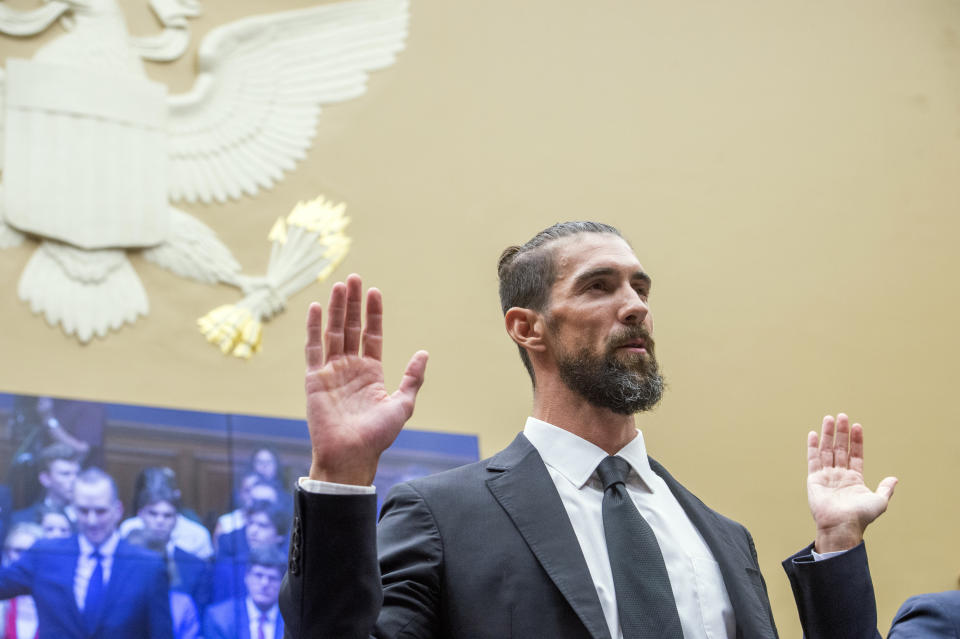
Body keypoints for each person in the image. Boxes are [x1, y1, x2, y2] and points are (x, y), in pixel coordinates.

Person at [279, 221, 897, 638]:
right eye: (600, 287)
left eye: (640, 287)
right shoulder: (442, 516)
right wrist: (340, 475)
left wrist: (838, 545)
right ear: (528, 327)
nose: (635, 305)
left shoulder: (724, 538)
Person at [0, 468, 173, 639]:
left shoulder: (148, 566)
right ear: (73, 509)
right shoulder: (45, 554)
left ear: (118, 510)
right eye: (83, 511)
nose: (92, 521)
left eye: (100, 511)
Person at [120, 467, 214, 560]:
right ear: (141, 513)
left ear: (177, 516)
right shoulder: (128, 528)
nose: (160, 521)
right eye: (153, 514)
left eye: (167, 515)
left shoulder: (198, 535)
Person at [204, 547, 286, 639]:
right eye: (258, 575)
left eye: (272, 578)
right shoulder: (219, 617)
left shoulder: (292, 620)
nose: (264, 584)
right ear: (247, 577)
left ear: (282, 583)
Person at [10, 444, 79, 526]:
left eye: (78, 473)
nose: (74, 480)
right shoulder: (23, 520)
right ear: (45, 479)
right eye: (65, 474)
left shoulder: (91, 519)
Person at [0, 523, 43, 639]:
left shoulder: (54, 599)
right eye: (18, 551)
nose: (24, 558)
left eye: (30, 552)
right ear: (7, 552)